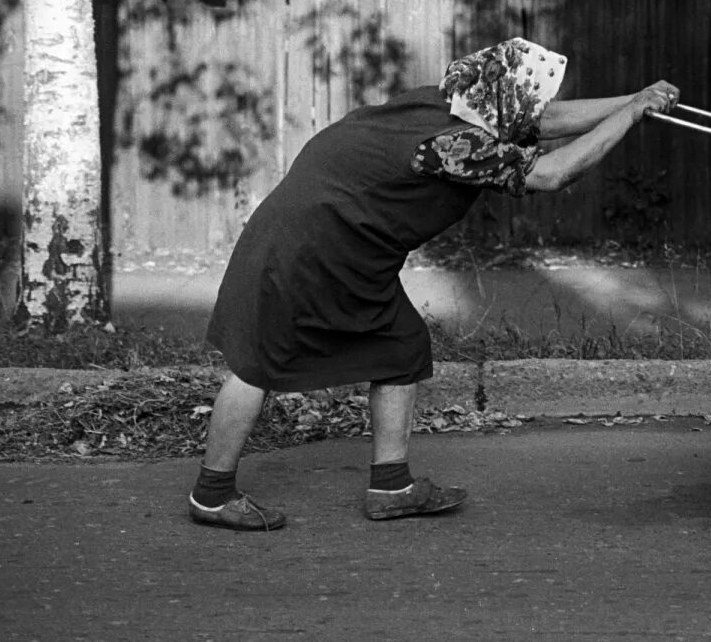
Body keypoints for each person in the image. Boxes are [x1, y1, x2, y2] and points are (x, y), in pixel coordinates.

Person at [187, 38, 680, 531]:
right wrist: (632, 114)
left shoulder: (454, 101)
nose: (537, 112)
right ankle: (212, 494)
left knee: (399, 346)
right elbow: (552, 173)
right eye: (532, 99)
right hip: (310, 245)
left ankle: (392, 486)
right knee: (258, 362)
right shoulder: (456, 144)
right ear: (506, 99)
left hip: (339, 240)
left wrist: (634, 98)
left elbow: (539, 121)